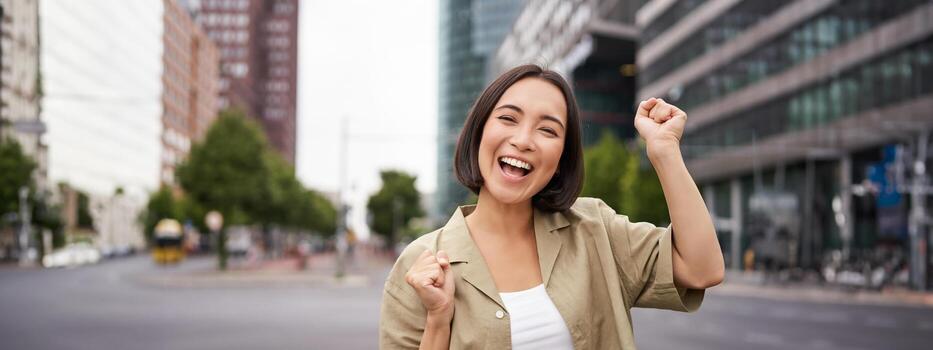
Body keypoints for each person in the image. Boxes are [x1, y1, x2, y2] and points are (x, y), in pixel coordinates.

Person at [380, 64, 724, 349]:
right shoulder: (419, 264)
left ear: (561, 158)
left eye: (547, 130)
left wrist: (664, 151)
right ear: (479, 130)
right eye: (508, 118)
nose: (524, 140)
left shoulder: (595, 230)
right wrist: (439, 321)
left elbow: (701, 270)